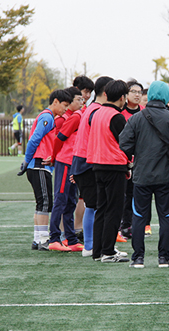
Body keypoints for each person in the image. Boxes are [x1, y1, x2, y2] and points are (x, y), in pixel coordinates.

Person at [119, 81, 169, 269]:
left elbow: (123, 143)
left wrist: (136, 153)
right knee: (166, 217)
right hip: (164, 176)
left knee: (139, 216)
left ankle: (138, 258)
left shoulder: (137, 118)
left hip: (141, 176)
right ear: (166, 96)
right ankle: (164, 258)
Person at [19, 90, 72, 250]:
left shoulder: (48, 117)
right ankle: (42, 240)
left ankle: (38, 239)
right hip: (38, 165)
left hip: (39, 165)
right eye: (64, 105)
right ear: (55, 101)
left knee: (42, 203)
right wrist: (27, 160)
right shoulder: (47, 117)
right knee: (45, 203)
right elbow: (34, 139)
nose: (65, 109)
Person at [88, 79, 132, 264]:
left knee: (102, 209)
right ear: (122, 98)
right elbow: (125, 143)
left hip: (97, 165)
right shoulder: (116, 116)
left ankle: (98, 250)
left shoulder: (97, 112)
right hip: (113, 165)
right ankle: (108, 251)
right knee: (114, 210)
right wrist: (128, 164)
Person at [72, 76, 111, 257]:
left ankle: (93, 245)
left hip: (83, 161)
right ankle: (90, 246)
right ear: (106, 92)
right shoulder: (96, 111)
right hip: (87, 162)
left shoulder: (92, 109)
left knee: (92, 205)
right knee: (93, 205)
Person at [44, 87, 85, 252]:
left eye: (83, 99)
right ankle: (54, 238)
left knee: (71, 201)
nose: (82, 102)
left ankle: (70, 238)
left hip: (73, 164)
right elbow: (58, 139)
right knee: (60, 200)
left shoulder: (77, 115)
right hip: (64, 163)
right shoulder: (68, 118)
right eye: (78, 99)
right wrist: (53, 158)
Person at [119, 80, 146, 240]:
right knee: (124, 195)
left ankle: (132, 226)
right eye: (133, 91)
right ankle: (122, 225)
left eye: (139, 92)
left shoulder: (145, 112)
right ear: (126, 94)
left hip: (142, 162)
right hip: (123, 162)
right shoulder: (120, 113)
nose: (137, 95)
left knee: (137, 195)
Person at [70, 75, 95, 234]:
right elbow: (61, 136)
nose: (87, 96)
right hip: (74, 158)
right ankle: (71, 230)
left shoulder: (84, 110)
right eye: (85, 92)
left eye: (89, 92)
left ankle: (77, 230)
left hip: (81, 157)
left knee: (82, 198)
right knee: (69, 198)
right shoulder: (75, 113)